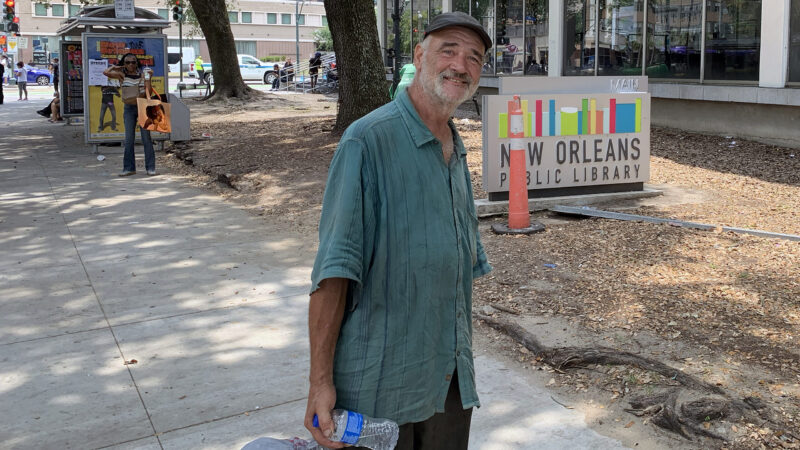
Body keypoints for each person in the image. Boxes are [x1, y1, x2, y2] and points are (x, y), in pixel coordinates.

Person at [304, 11, 492, 450]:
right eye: (449, 50)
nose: (461, 66)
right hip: (380, 388)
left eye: (474, 58)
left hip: (448, 382)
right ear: (420, 55)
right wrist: (319, 383)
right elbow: (333, 272)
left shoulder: (455, 148)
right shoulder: (367, 140)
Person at [103, 53, 157, 176]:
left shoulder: (143, 75)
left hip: (143, 106)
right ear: (124, 64)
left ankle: (150, 167)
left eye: (133, 62)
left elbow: (148, 92)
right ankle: (129, 168)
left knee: (146, 138)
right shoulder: (122, 75)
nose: (130, 65)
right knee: (129, 139)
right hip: (129, 108)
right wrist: (116, 67)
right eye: (127, 62)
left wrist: (148, 78)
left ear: (137, 63)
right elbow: (106, 72)